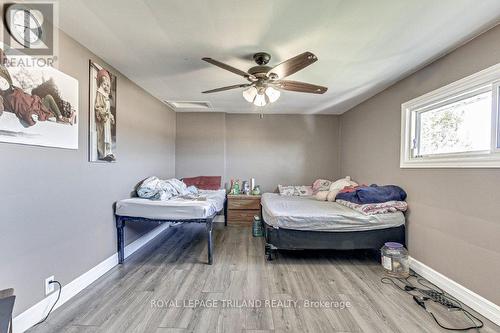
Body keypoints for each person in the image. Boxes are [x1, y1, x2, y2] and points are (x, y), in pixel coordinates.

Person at [0, 49, 73, 126]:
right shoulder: (3, 73)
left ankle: (60, 118)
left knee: (47, 98)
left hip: (28, 100)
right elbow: (6, 88)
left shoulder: (4, 69)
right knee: (30, 101)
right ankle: (58, 117)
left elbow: (9, 85)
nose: (5, 56)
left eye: (5, 54)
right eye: (3, 54)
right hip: (16, 98)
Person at [94, 68, 115, 161]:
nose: (106, 86)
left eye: (107, 84)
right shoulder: (100, 93)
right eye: (104, 84)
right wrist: (104, 113)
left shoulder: (106, 96)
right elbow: (98, 106)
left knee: (108, 137)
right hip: (103, 119)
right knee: (103, 136)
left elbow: (108, 109)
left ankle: (108, 152)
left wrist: (110, 115)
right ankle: (103, 154)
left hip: (106, 119)